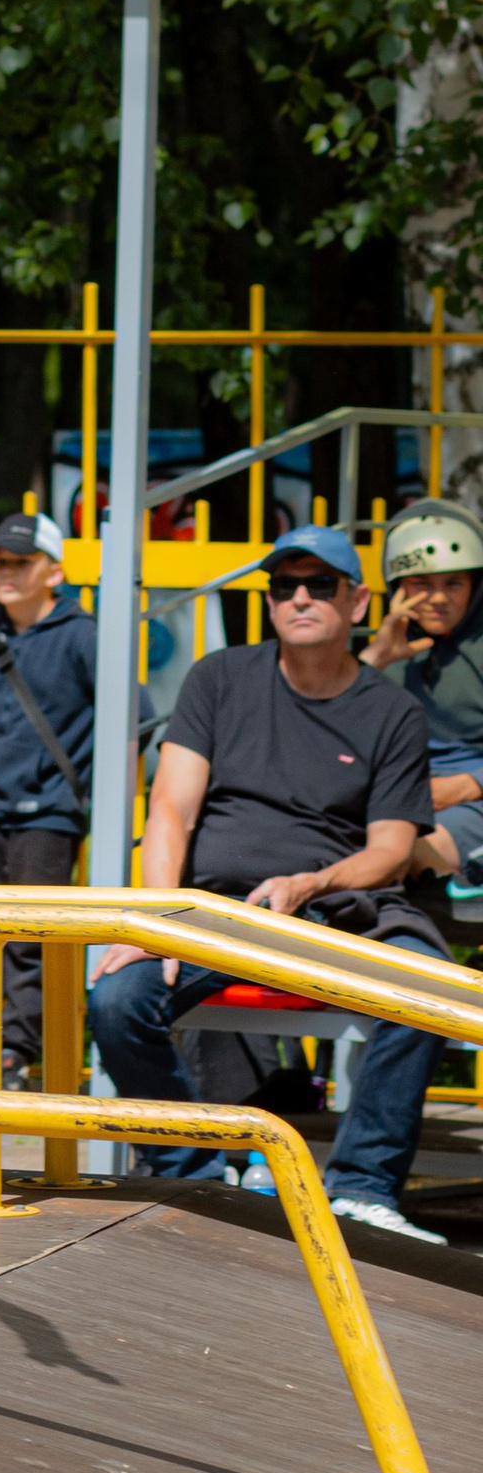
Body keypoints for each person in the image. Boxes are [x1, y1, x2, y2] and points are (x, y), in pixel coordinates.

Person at [88, 522, 457, 1240]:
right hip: (217, 909)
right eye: (283, 586)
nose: (300, 598)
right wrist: (157, 918)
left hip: (342, 907)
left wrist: (312, 883)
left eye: (320, 585)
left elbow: (390, 848)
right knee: (118, 996)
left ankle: (360, 1188)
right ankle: (194, 1177)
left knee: (430, 987)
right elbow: (170, 806)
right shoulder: (219, 678)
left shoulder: (392, 711)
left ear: (357, 603)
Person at [0, 512, 96, 1082]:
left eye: (21, 561)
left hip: (51, 811)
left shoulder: (86, 635)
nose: (7, 572)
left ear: (54, 571)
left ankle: (14, 1049)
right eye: (0, 562)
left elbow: (129, 716)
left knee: (29, 940)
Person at [365, 498, 483, 890]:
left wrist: (466, 785)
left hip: (468, 798)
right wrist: (376, 660)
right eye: (421, 583)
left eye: (454, 582)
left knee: (398, 855)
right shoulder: (386, 646)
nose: (438, 598)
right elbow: (324, 721)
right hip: (399, 795)